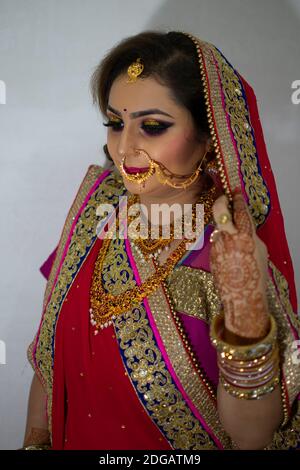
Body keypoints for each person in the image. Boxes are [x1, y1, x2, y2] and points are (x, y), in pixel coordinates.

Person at [22, 30, 300, 450]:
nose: (125, 148)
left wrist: (244, 309)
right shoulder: (93, 218)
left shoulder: (230, 254)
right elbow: (47, 364)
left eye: (152, 127)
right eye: (116, 123)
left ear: (209, 138)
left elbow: (252, 437)